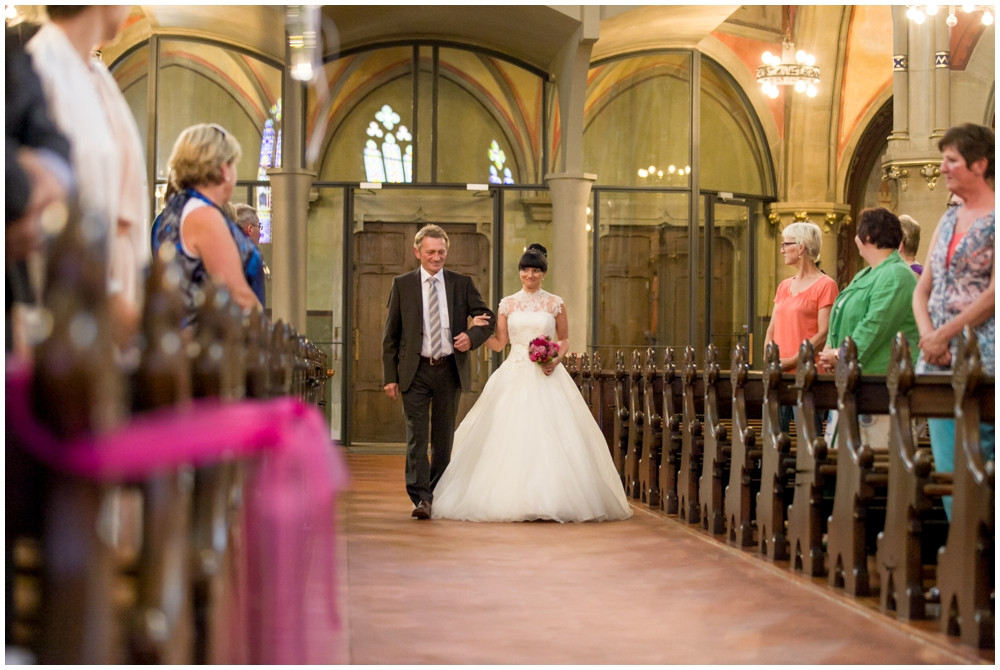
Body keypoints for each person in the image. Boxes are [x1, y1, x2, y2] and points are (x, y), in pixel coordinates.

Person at [430, 244, 632, 523]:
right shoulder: (507, 304)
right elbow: (500, 343)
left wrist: (555, 358)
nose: (530, 274)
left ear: (543, 273)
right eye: (526, 269)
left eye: (536, 270)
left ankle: (555, 497)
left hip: (547, 374)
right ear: (520, 272)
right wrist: (476, 332)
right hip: (513, 371)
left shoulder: (555, 303)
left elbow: (563, 339)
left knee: (553, 434)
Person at [26, 5, 150, 347]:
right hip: (72, 302)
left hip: (115, 286)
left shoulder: (96, 73)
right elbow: (41, 205)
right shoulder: (41, 66)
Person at [381, 224, 495, 519]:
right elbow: (390, 335)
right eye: (430, 252)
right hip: (414, 370)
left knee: (443, 438)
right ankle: (421, 499)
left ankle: (435, 491)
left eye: (441, 252)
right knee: (416, 437)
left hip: (448, 369)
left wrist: (471, 337)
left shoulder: (461, 283)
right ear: (417, 252)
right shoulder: (402, 285)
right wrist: (390, 377)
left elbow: (488, 319)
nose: (436, 257)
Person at [912, 123, 995, 519]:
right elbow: (922, 289)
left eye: (951, 160)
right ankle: (962, 553)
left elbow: (995, 293)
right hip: (938, 358)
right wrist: (930, 337)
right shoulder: (947, 220)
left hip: (984, 354)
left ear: (979, 164)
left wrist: (946, 333)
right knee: (947, 463)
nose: (943, 167)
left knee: (984, 459)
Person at [818, 207, 920, 446]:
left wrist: (839, 354)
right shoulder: (866, 274)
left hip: (881, 387)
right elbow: (843, 318)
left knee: (873, 469)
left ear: (867, 236)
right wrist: (833, 353)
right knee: (845, 466)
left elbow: (874, 326)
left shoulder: (896, 275)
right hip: (855, 382)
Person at [151, 123, 265, 327]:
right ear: (224, 170)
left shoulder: (178, 208)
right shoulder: (204, 216)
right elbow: (238, 295)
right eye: (233, 164)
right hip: (211, 342)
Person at [762, 221, 839, 433]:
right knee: (771, 438)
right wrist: (769, 357)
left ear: (802, 247)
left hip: (807, 375)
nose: (782, 249)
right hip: (778, 373)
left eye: (786, 244)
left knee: (807, 440)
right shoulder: (784, 286)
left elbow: (823, 334)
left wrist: (790, 361)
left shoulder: (826, 285)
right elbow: (771, 329)